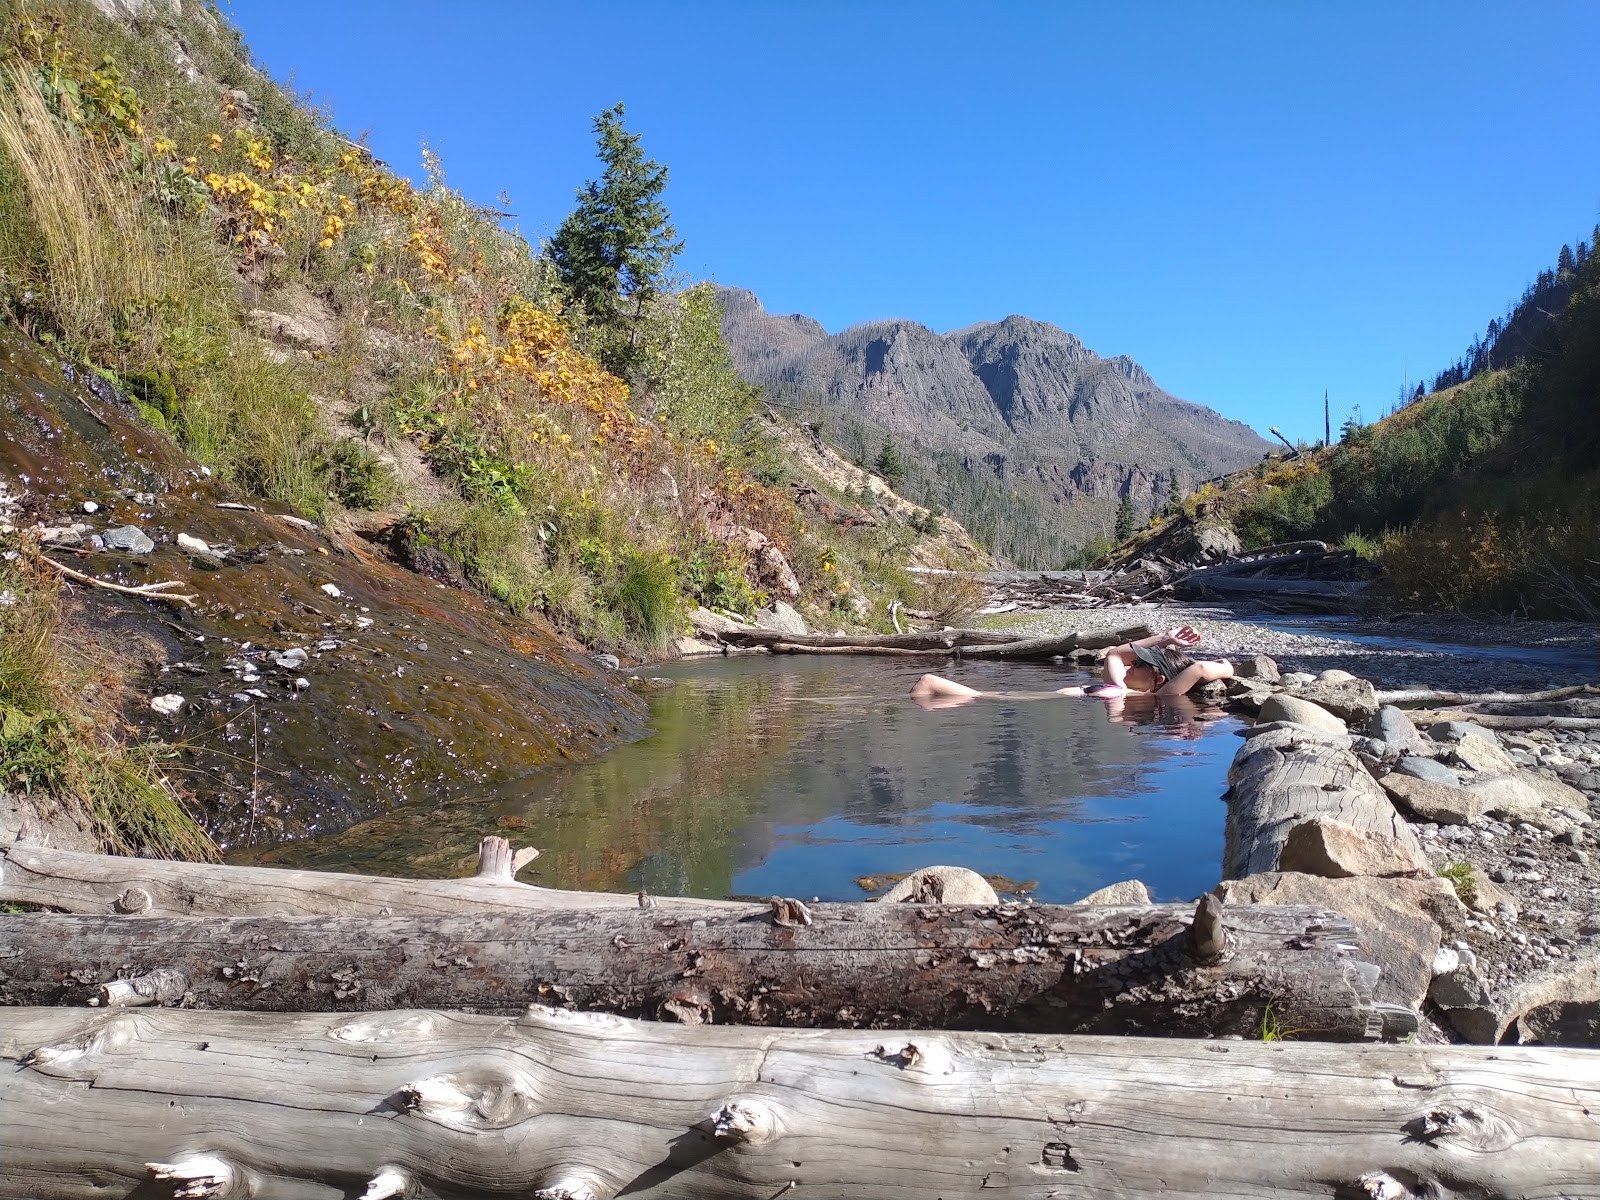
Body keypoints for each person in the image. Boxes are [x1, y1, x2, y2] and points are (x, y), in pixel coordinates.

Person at [909, 625, 1234, 707]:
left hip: (1024, 700)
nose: (1132, 665)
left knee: (927, 682)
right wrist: (1164, 638)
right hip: (1021, 696)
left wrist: (1225, 666)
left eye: (1141, 666)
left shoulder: (1156, 697)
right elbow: (1115, 654)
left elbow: (1203, 670)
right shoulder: (1122, 688)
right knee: (927, 684)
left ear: (1158, 679)